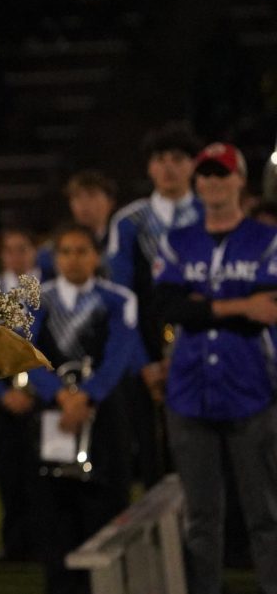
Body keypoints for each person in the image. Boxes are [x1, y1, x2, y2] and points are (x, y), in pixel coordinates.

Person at [153, 142, 277, 594]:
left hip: (252, 389)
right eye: (205, 174)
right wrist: (239, 305)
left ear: (240, 180)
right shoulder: (178, 239)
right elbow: (169, 307)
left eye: (221, 174)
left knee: (265, 513)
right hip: (190, 391)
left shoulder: (267, 239)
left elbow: (271, 308)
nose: (212, 182)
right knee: (202, 517)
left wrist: (204, 303)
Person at [26, 224, 142, 594]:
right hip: (53, 415)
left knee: (105, 506)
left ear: (96, 256)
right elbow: (27, 357)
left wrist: (86, 396)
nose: (73, 260)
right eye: (65, 252)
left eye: (81, 251)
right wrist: (61, 397)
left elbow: (119, 356)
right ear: (54, 258)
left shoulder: (118, 299)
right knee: (54, 509)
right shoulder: (36, 301)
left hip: (103, 415)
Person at [106, 121, 202, 486]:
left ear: (193, 165)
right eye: (160, 159)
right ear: (149, 167)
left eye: (178, 158)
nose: (168, 167)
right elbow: (123, 301)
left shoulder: (210, 216)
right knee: (153, 456)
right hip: (146, 355)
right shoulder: (130, 222)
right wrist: (143, 363)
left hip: (200, 350)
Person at [0, 227, 41, 563]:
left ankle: (42, 540)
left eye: (23, 248)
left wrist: (35, 391)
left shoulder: (47, 291)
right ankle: (13, 543)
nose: (16, 256)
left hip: (40, 397)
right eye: (10, 250)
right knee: (8, 473)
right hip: (2, 396)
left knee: (39, 473)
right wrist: (1, 393)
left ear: (34, 251)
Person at [37, 170, 117, 281]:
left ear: (110, 203)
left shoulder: (123, 242)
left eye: (91, 195)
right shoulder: (53, 248)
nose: (84, 203)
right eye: (77, 197)